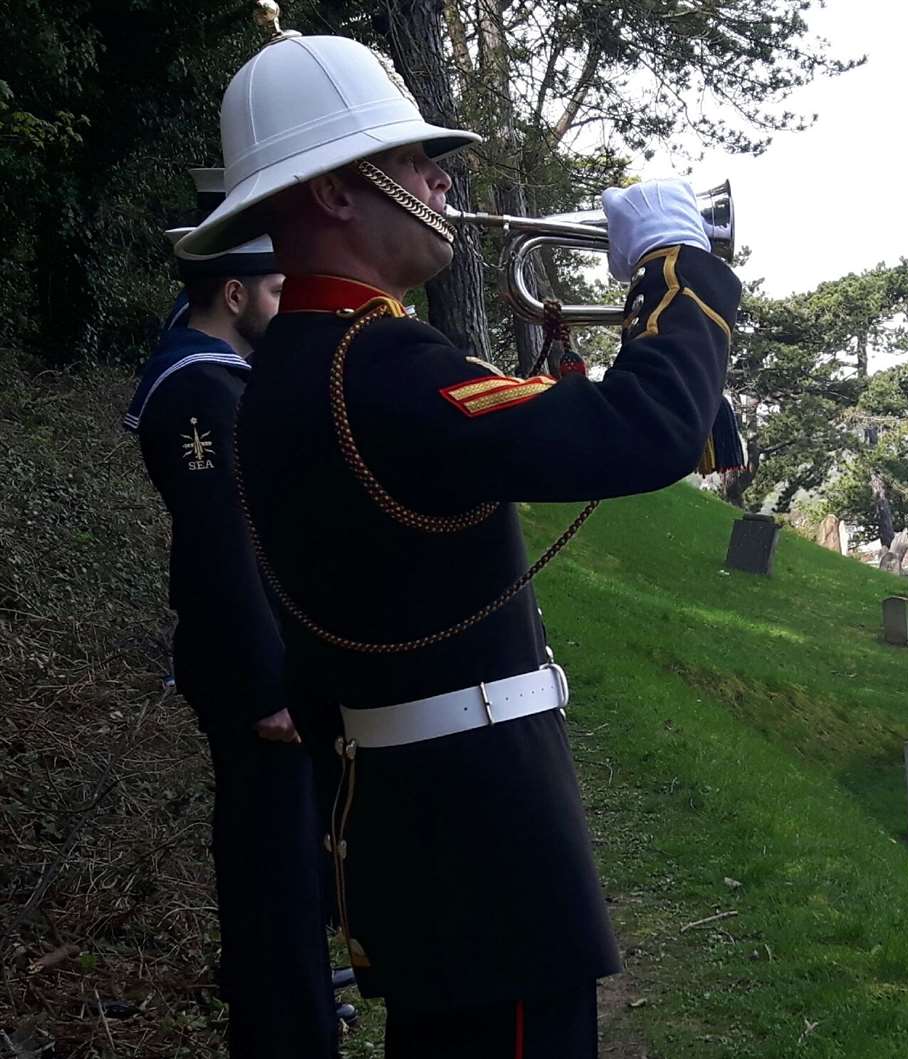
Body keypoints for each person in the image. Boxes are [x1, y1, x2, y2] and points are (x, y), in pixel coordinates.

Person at [179, 32, 739, 1057]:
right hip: (488, 844)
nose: (441, 179)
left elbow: (615, 428)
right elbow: (646, 434)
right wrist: (680, 269)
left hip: (414, 828)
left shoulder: (304, 364)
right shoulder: (380, 367)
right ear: (338, 195)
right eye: (410, 160)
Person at [128, 178, 338, 1057]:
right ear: (236, 293)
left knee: (289, 863)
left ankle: (300, 1015)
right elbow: (220, 553)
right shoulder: (199, 394)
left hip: (266, 670)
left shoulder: (218, 378)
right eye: (280, 290)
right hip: (253, 682)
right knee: (271, 874)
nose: (288, 303)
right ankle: (286, 1033)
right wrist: (268, 686)